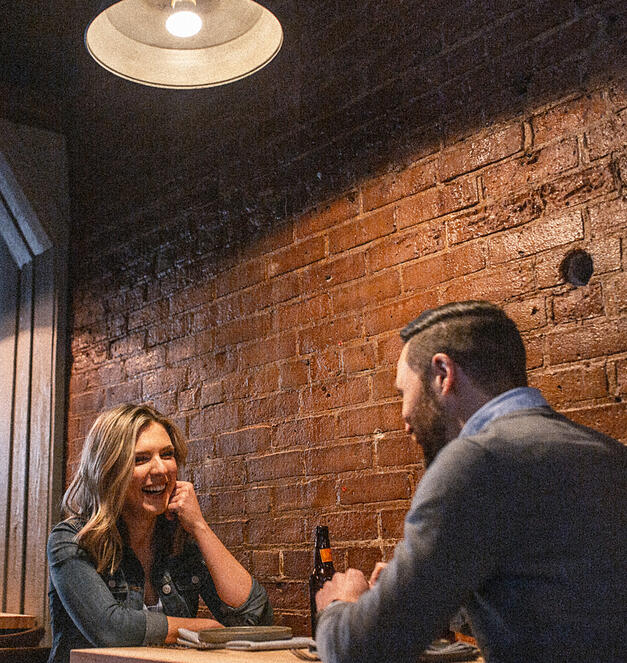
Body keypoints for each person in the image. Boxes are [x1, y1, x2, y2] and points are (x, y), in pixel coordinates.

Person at [315, 300, 626, 663]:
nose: (403, 416)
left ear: (443, 373)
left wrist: (341, 603)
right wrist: (422, 590)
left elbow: (363, 650)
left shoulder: (475, 461)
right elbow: (557, 606)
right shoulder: (610, 454)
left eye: (404, 392)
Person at [47, 404, 272, 663]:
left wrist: (199, 527)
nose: (161, 470)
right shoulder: (73, 540)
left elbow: (257, 619)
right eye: (141, 459)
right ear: (110, 470)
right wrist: (201, 627)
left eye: (167, 455)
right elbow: (111, 629)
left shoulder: (180, 539)